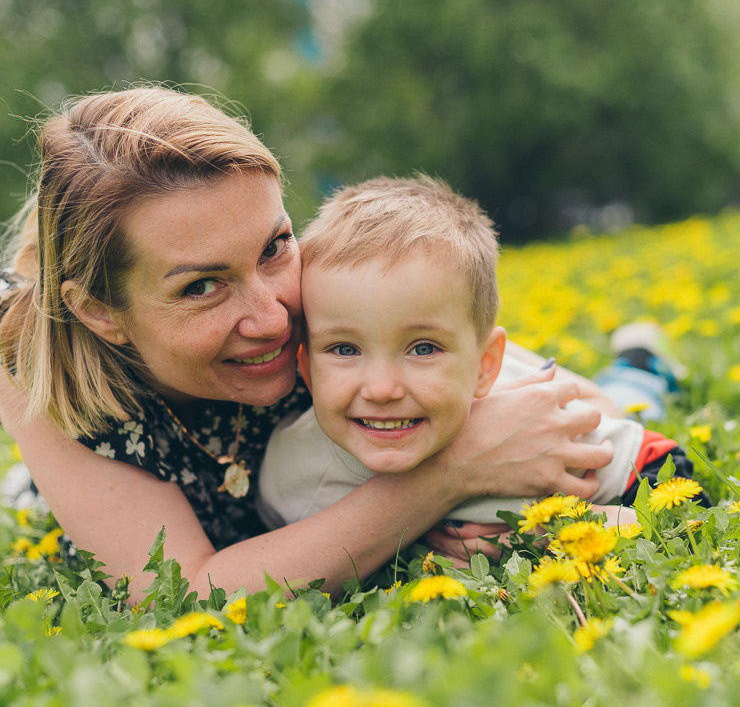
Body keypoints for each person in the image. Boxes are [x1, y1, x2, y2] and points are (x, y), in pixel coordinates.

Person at [0, 85, 626, 602]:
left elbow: (552, 411)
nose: (274, 318)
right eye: (200, 288)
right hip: (139, 503)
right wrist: (446, 480)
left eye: (275, 245)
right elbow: (183, 594)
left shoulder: (300, 291)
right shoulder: (23, 341)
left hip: (307, 489)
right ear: (101, 310)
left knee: (613, 393)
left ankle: (641, 366)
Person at [257, 176, 705, 533]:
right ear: (308, 369)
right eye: (344, 349)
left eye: (423, 348)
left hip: (573, 397)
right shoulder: (289, 475)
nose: (381, 389)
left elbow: (680, 489)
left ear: (483, 366)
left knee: (629, 393)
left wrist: (556, 528)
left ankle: (642, 360)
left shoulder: (532, 432)